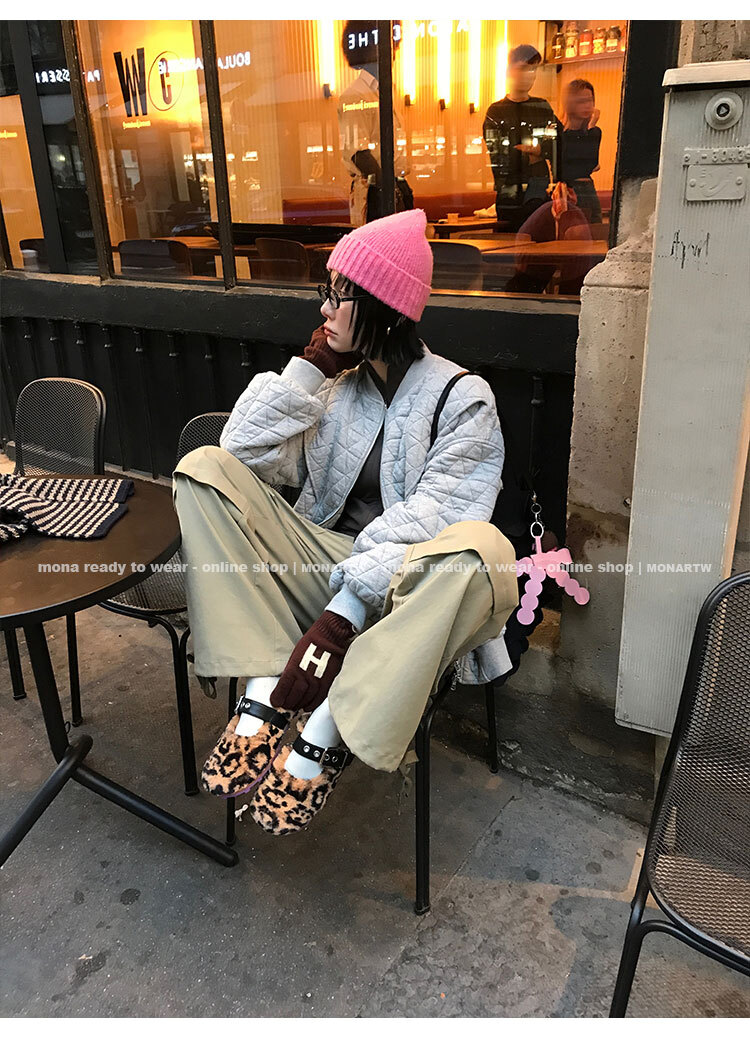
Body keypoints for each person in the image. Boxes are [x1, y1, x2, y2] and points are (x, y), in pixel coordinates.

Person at [173, 209, 519, 835]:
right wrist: (310, 368)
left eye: (339, 294)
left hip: (405, 593)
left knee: (482, 550)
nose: (324, 309)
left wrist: (345, 612)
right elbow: (243, 452)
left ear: (384, 305)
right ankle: (266, 679)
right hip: (325, 562)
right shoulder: (335, 389)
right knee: (203, 467)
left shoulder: (464, 398)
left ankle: (331, 720)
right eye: (325, 292)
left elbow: (441, 518)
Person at [338, 20, 412, 226]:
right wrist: (389, 191)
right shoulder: (356, 95)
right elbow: (359, 154)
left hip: (395, 184)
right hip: (376, 189)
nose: (393, 52)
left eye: (394, 45)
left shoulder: (386, 91)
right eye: (387, 44)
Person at [483, 44, 563, 233]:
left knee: (541, 242)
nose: (529, 75)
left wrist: (539, 150)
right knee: (509, 244)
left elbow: (558, 144)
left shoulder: (542, 107)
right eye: (524, 68)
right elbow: (500, 155)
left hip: (540, 191)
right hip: (509, 195)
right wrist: (537, 153)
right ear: (510, 70)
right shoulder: (496, 111)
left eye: (533, 69)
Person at [560, 79, 602, 224]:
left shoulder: (594, 132)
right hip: (567, 190)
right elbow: (564, 168)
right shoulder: (561, 134)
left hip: (587, 189)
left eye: (590, 100)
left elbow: (591, 164)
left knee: (594, 229)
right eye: (581, 101)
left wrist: (591, 127)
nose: (587, 105)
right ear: (570, 103)